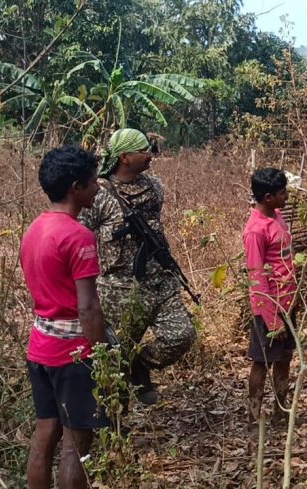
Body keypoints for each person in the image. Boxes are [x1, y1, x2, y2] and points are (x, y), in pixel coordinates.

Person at [79, 128, 196, 406]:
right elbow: (80, 235)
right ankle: (117, 422)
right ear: (125, 157)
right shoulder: (99, 194)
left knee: (181, 335)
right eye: (143, 150)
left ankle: (140, 366)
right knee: (116, 356)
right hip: (120, 288)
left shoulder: (154, 187)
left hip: (161, 280)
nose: (150, 155)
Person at [21, 145, 109, 489]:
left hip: (40, 347)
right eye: (92, 182)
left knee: (45, 433)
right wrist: (101, 355)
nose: (97, 188)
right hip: (72, 354)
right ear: (76, 187)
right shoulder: (79, 237)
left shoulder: (34, 229)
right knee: (76, 442)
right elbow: (87, 307)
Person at [242, 168, 298, 425]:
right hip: (269, 308)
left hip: (288, 303)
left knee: (285, 358)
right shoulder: (255, 231)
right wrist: (271, 318)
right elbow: (257, 278)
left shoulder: (278, 216)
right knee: (262, 362)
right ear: (267, 197)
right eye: (282, 194)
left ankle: (280, 411)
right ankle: (254, 416)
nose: (286, 197)